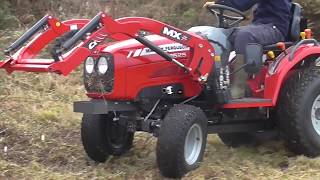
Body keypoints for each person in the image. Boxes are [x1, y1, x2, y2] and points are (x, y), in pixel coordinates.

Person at [204, 0, 292, 98]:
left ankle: (239, 88)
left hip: (275, 27)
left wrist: (220, 2)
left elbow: (242, 3)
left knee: (245, 36)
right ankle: (214, 82)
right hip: (260, 26)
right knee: (223, 34)